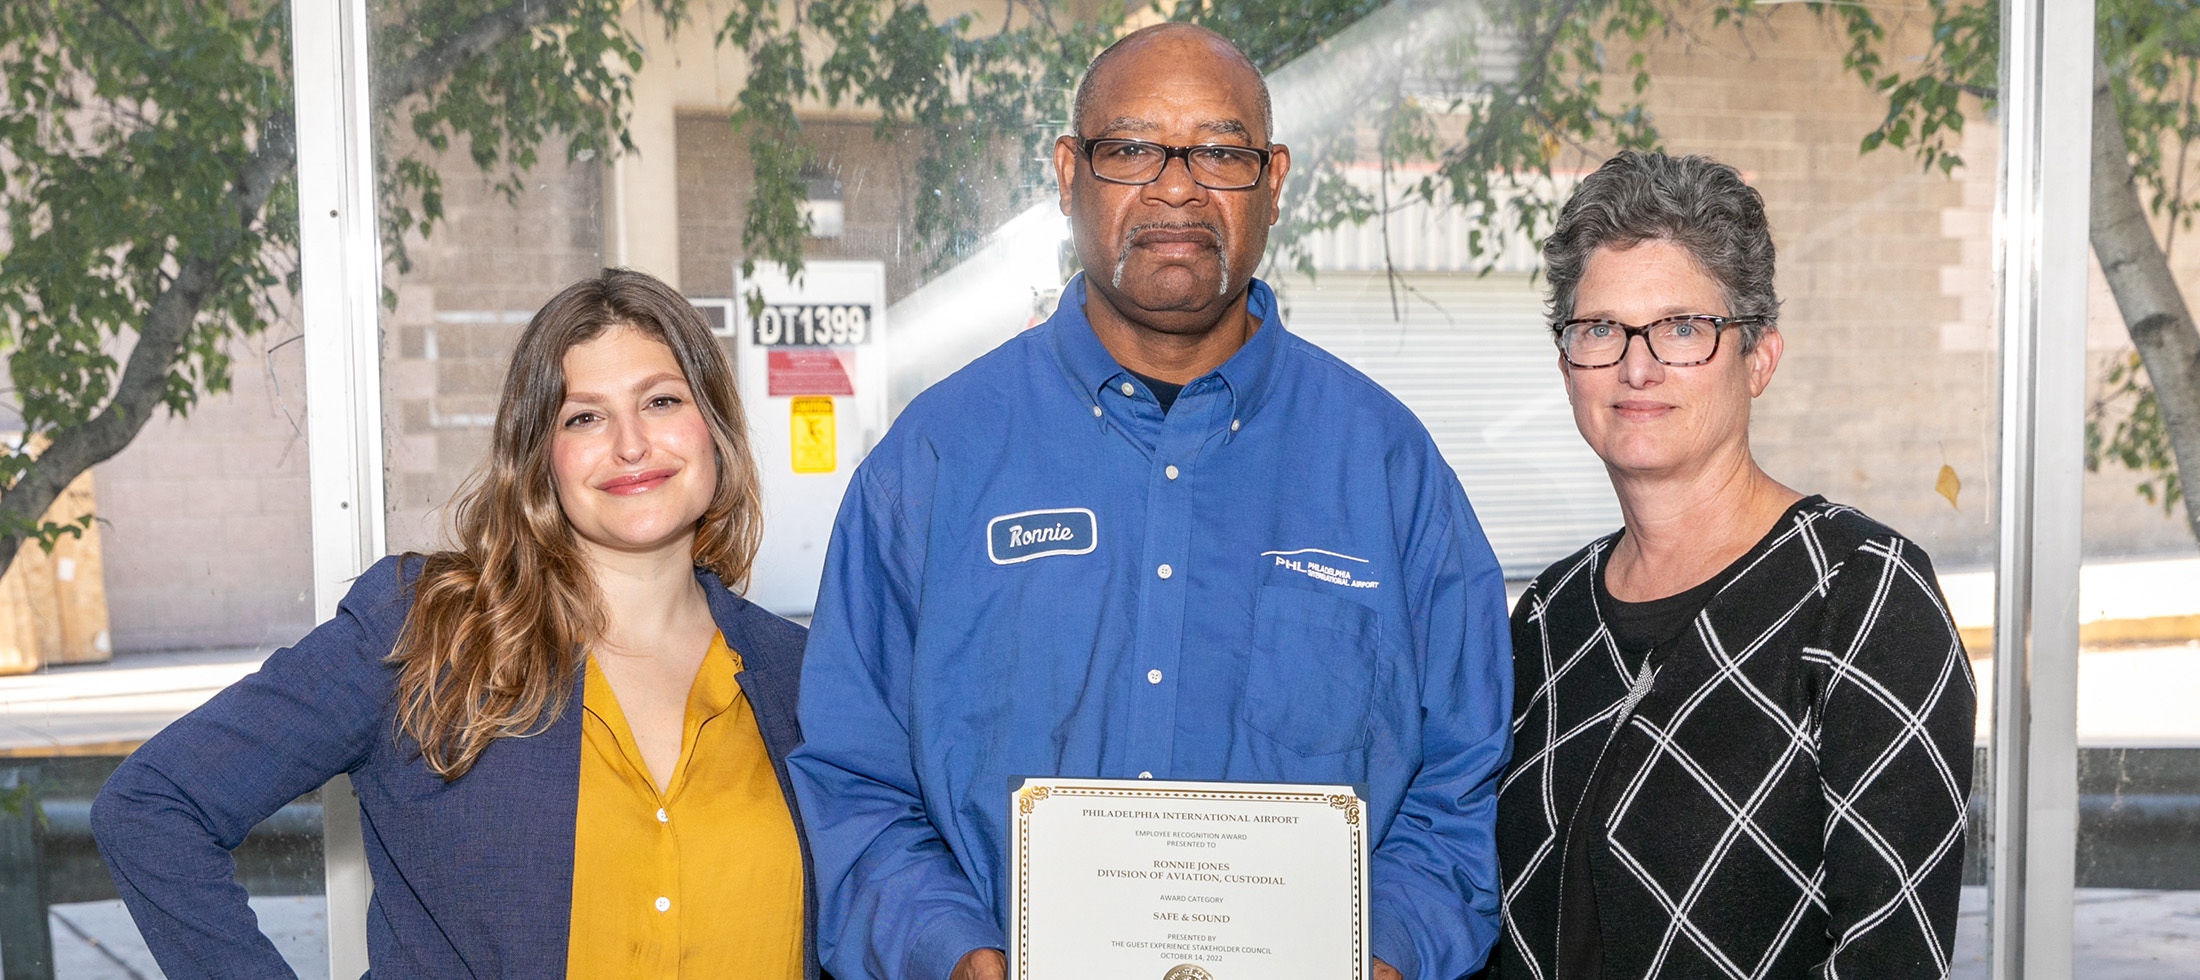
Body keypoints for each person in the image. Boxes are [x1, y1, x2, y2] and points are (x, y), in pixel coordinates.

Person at [787, 22, 1512, 980]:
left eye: (1220, 150)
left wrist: (1380, 959)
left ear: (1275, 179)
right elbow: (854, 783)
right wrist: (956, 958)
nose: (1177, 186)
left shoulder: (1388, 469)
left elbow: (1460, 793)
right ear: (1067, 172)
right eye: (1132, 147)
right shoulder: (933, 460)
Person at [92, 269, 817, 979]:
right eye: (584, 416)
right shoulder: (424, 632)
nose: (630, 444)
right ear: (539, 458)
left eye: (660, 401)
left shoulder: (803, 679)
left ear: (714, 425)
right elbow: (153, 807)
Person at [1491, 151, 1975, 979]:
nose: (1636, 367)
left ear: (1759, 358)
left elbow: (1891, 957)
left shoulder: (1860, 595)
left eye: (1683, 327)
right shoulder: (1548, 616)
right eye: (1600, 329)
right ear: (1567, 361)